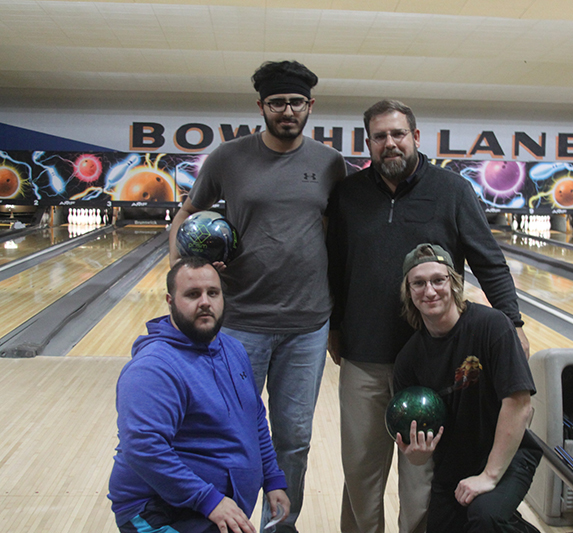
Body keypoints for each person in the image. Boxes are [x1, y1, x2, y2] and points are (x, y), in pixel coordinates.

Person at [326, 99, 530, 533]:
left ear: (416, 137)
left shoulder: (452, 191)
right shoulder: (348, 194)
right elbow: (335, 266)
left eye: (398, 134)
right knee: (361, 473)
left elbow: (488, 260)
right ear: (369, 143)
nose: (390, 143)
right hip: (365, 355)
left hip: (429, 361)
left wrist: (511, 321)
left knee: (420, 480)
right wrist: (335, 326)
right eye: (380, 136)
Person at [168, 60, 347, 532]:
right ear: (261, 107)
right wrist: (181, 272)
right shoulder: (228, 158)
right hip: (240, 321)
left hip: (307, 325)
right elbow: (186, 213)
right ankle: (228, 524)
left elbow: (339, 235)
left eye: (294, 102)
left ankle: (279, 527)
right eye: (276, 103)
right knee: (229, 433)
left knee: (294, 438)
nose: (286, 110)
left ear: (310, 106)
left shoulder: (329, 163)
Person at [108, 257, 290, 533]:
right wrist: (210, 500)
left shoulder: (233, 349)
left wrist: (272, 478)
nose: (205, 301)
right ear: (170, 301)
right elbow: (144, 447)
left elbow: (254, 418)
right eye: (193, 294)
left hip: (209, 506)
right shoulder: (153, 368)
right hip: (159, 511)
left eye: (212, 293)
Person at [393, 243, 541, 532]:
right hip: (454, 467)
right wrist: (417, 453)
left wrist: (489, 475)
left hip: (509, 456)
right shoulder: (408, 360)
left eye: (438, 280)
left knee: (485, 517)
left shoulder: (493, 327)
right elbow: (416, 451)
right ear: (409, 292)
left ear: (454, 282)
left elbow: (520, 404)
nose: (430, 291)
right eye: (419, 283)